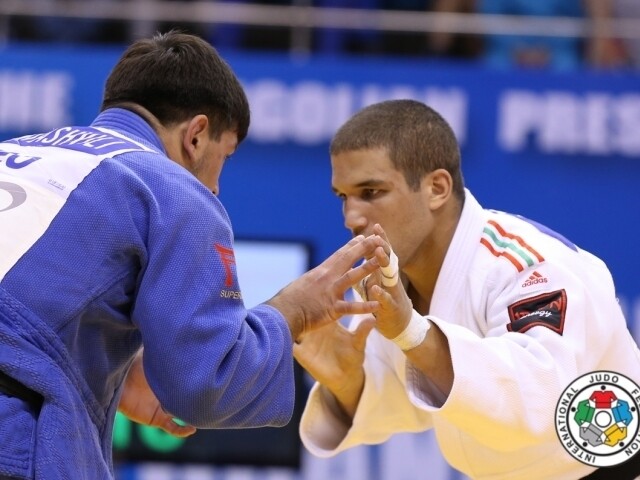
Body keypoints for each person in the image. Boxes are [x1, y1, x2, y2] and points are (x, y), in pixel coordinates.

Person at [0, 31, 387, 479]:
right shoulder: (169, 186)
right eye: (225, 156)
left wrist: (113, 375)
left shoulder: (14, 150)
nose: (217, 186)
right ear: (197, 136)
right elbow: (205, 386)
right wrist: (291, 311)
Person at [294, 99, 640, 479]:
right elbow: (414, 393)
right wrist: (347, 382)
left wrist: (411, 332)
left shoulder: (529, 266)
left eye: (371, 192)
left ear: (437, 188)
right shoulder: (386, 280)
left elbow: (538, 403)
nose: (351, 217)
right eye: (344, 196)